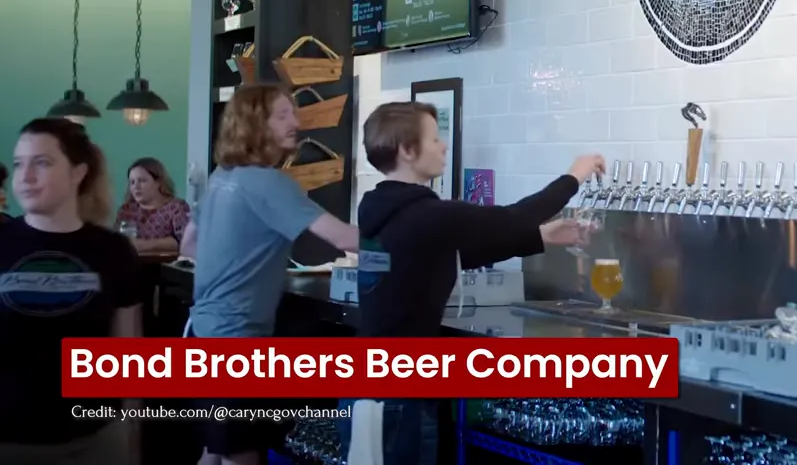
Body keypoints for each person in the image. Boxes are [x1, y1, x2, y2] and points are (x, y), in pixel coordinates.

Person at [339, 101, 604, 465]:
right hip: (399, 395)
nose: (444, 146)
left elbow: (445, 253)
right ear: (407, 151)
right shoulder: (427, 213)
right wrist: (575, 175)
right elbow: (514, 218)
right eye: (435, 139)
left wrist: (542, 237)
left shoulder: (381, 208)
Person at [186, 83, 360, 465]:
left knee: (215, 452)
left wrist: (238, 265)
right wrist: (411, 242)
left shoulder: (222, 176)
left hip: (202, 333)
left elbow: (189, 244)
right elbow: (344, 238)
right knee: (241, 455)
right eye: (282, 115)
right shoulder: (270, 183)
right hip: (235, 344)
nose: (295, 122)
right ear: (254, 124)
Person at [0, 118, 143, 464]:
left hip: (95, 441)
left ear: (78, 173)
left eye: (42, 163)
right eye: (19, 163)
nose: (25, 176)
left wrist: (131, 435)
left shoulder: (113, 251)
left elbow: (128, 355)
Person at [114, 157, 190, 255]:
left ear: (158, 182)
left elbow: (184, 241)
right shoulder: (126, 210)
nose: (136, 187)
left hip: (166, 263)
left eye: (142, 181)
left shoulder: (176, 207)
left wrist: (144, 245)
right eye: (132, 182)